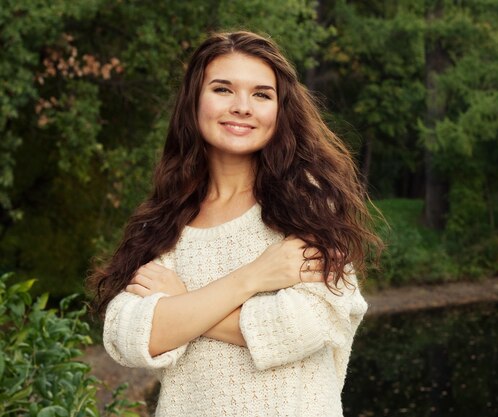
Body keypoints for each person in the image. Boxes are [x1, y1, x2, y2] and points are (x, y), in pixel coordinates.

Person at [88, 30, 381, 417]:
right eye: (223, 89)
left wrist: (181, 306)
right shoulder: (165, 219)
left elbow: (306, 325)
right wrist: (254, 277)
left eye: (261, 94)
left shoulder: (307, 206)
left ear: (280, 109)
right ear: (194, 101)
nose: (243, 107)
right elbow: (125, 334)